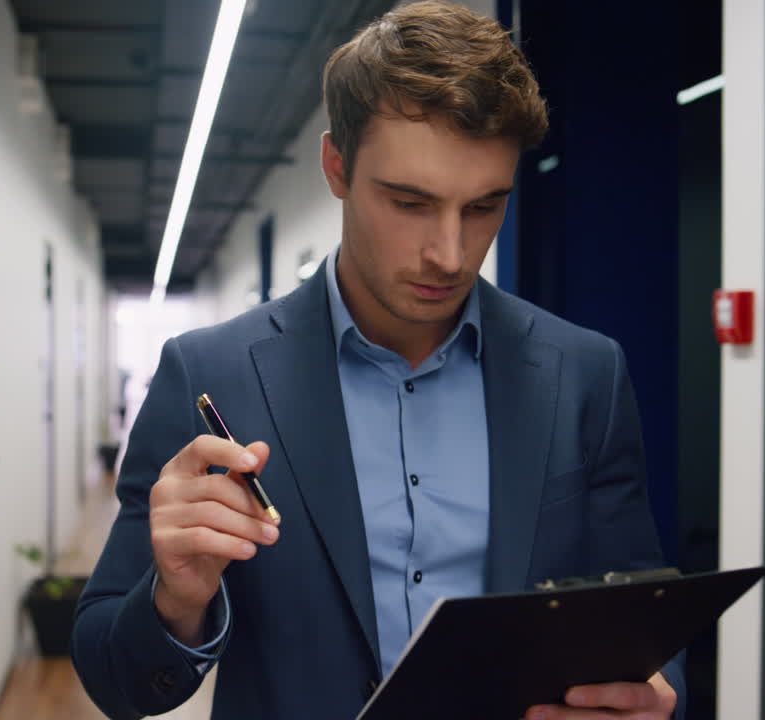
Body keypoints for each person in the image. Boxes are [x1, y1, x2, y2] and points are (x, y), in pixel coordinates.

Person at [72, 2, 683, 718]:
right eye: (409, 202)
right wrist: (175, 600)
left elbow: (643, 610)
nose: (450, 255)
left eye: (484, 207)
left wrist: (652, 693)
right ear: (336, 166)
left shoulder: (586, 375)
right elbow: (110, 673)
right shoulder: (211, 375)